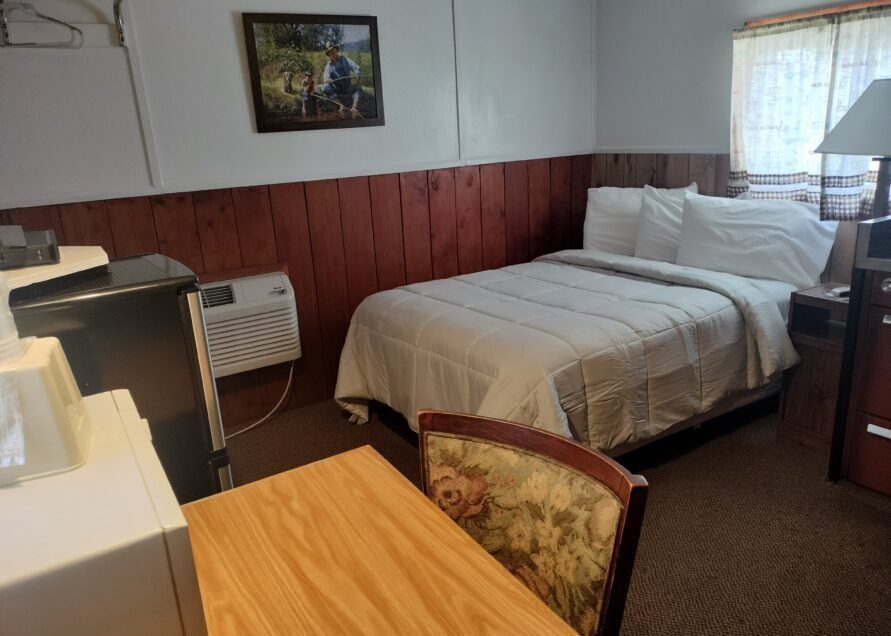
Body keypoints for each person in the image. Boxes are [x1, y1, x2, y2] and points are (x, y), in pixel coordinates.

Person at [319, 41, 363, 118]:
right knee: (325, 87)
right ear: (328, 55)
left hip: (348, 87)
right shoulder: (328, 66)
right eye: (330, 52)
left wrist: (357, 75)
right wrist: (328, 79)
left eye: (333, 51)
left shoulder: (344, 59)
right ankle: (340, 105)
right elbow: (325, 77)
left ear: (336, 50)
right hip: (337, 89)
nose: (332, 53)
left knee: (359, 88)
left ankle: (354, 107)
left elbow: (356, 67)